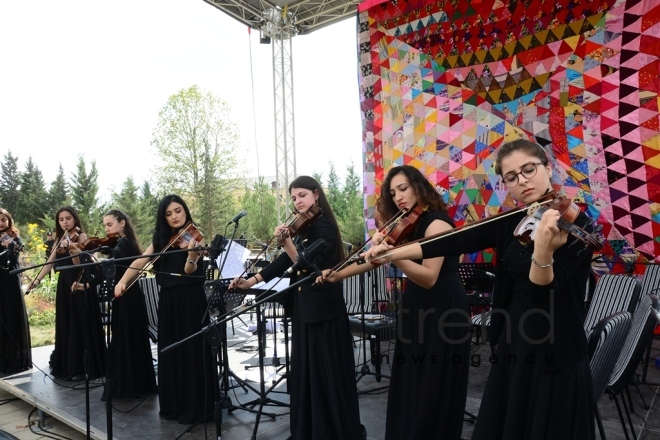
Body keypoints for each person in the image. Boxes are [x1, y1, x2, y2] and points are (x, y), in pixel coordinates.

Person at [330, 139, 596, 439]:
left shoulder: (578, 225)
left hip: (554, 353)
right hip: (513, 345)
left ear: (547, 168)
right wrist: (392, 254)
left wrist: (544, 252)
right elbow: (451, 241)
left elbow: (542, 293)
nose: (522, 180)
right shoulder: (513, 221)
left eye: (529, 170)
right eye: (512, 177)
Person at [228, 175, 364, 440]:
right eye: (293, 198)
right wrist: (250, 281)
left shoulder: (323, 226)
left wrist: (287, 242)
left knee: (325, 374)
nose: (297, 202)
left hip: (324, 312)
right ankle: (311, 428)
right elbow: (282, 262)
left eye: (302, 195)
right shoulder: (305, 229)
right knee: (308, 374)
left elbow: (307, 268)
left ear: (316, 194)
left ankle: (329, 431)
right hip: (306, 310)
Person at [370, 165, 469, 439]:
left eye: (403, 188)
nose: (399, 197)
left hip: (443, 311)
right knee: (413, 381)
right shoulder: (410, 226)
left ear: (418, 187)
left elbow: (428, 277)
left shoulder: (437, 222)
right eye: (393, 193)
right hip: (418, 309)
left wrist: (391, 254)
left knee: (432, 386)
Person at [114, 195, 213, 424]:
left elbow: (190, 270)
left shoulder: (194, 236)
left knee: (190, 353)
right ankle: (175, 405)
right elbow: (141, 262)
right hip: (168, 301)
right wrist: (123, 281)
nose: (174, 216)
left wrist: (191, 256)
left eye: (178, 211)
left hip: (190, 301)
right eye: (168, 214)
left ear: (185, 211)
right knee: (172, 352)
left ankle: (194, 408)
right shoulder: (161, 238)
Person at [74, 209, 156, 401]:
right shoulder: (120, 244)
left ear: (122, 223)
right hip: (124, 297)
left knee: (127, 341)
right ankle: (137, 383)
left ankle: (131, 386)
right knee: (126, 341)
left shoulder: (126, 244)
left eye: (109, 224)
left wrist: (86, 256)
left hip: (129, 298)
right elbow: (106, 273)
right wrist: (86, 284)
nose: (106, 229)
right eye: (105, 225)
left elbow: (110, 268)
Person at [27, 207, 106, 381]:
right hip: (65, 284)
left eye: (68, 218)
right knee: (68, 323)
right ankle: (70, 366)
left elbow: (82, 265)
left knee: (80, 324)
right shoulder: (61, 238)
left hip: (80, 282)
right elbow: (50, 262)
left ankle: (83, 367)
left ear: (75, 219)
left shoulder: (82, 237)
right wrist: (36, 281)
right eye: (61, 219)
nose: (65, 222)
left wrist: (72, 250)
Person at [0, 208, 31, 374]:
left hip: (10, 281)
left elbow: (15, 260)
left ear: (9, 221)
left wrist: (11, 247)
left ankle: (14, 360)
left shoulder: (14, 237)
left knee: (11, 317)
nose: (1, 223)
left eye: (4, 219)